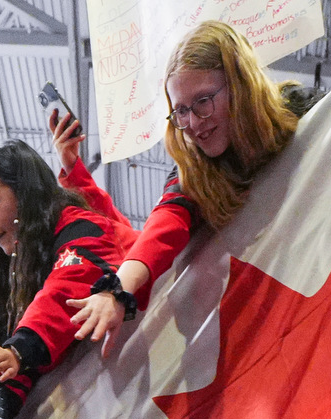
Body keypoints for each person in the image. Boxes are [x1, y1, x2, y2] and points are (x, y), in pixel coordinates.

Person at [66, 22, 311, 347]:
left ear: (239, 83)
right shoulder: (193, 172)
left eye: (204, 101)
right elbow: (163, 228)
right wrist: (115, 290)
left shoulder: (306, 110)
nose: (194, 123)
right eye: (180, 110)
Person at [0, 138, 134, 411]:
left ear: (25, 194)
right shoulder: (32, 262)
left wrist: (19, 350)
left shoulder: (81, 228)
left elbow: (64, 291)